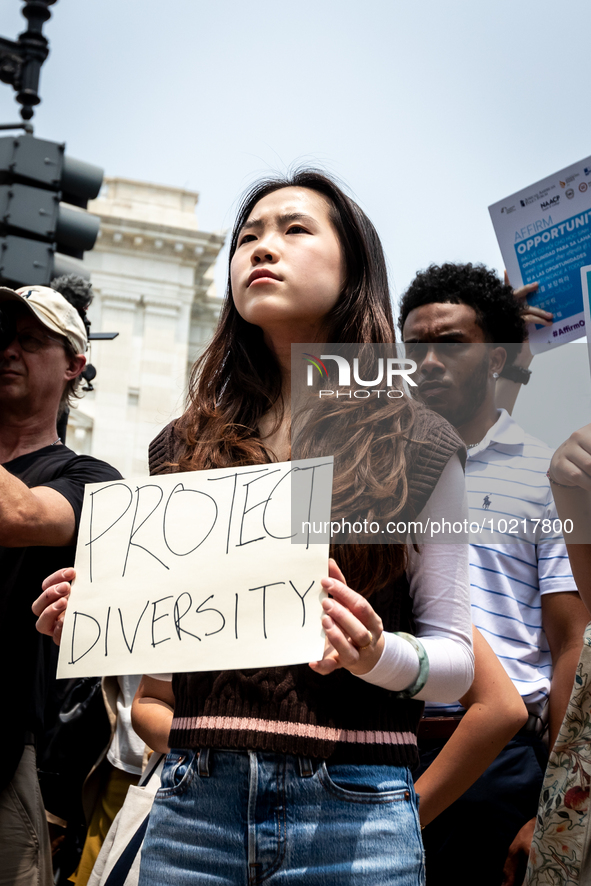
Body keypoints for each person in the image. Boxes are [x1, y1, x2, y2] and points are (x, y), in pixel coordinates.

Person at [35, 170, 475, 885]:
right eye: (247, 237)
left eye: (294, 229)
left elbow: (454, 659)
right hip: (190, 806)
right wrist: (105, 615)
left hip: (353, 813)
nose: (261, 248)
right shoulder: (180, 448)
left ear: (354, 267)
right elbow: (165, 671)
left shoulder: (418, 441)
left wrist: (374, 655)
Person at [398, 262, 589, 886]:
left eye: (450, 344)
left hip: (499, 768)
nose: (427, 361)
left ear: (498, 359)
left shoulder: (547, 475)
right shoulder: (375, 475)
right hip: (380, 745)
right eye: (415, 346)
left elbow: (567, 646)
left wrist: (557, 806)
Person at [0, 284, 121, 886]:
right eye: (0, 338)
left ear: (74, 362)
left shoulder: (88, 477)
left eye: (28, 340)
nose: (7, 351)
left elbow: (18, 517)